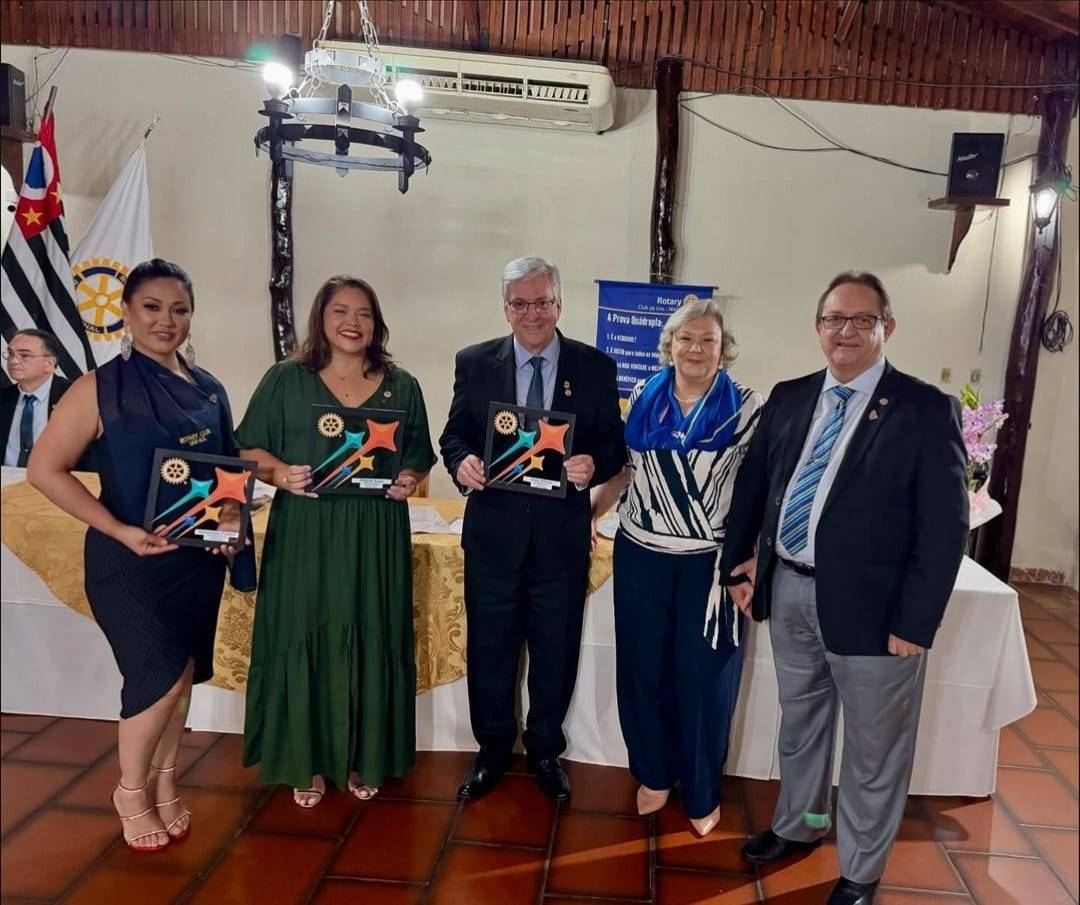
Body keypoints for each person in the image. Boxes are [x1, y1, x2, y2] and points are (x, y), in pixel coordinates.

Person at [720, 272, 968, 905]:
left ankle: (860, 870)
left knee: (874, 749)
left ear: (888, 327)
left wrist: (915, 622)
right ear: (818, 327)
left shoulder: (923, 409)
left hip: (877, 613)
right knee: (801, 723)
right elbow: (755, 482)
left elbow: (946, 527)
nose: (847, 331)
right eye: (835, 318)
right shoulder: (791, 396)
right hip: (791, 592)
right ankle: (802, 824)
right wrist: (739, 564)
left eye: (863, 320)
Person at [27, 259, 253, 852]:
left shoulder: (209, 388)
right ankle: (130, 791)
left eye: (179, 309)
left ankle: (166, 781)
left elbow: (228, 472)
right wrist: (119, 529)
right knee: (157, 677)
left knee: (182, 677)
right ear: (125, 312)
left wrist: (232, 522)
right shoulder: (98, 388)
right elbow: (44, 471)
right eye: (151, 307)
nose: (165, 320)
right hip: (127, 560)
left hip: (194, 561)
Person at [237, 275, 436, 808]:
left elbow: (418, 456)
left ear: (377, 323)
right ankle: (304, 761)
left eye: (364, 313)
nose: (352, 322)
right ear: (320, 318)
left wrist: (408, 478)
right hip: (306, 529)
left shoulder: (403, 385)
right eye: (340, 311)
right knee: (305, 632)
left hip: (375, 532)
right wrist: (279, 473)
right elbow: (248, 448)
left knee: (371, 632)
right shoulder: (285, 379)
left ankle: (364, 755)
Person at [439, 256, 625, 802]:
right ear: (506, 309)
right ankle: (493, 749)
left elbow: (614, 444)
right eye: (520, 303)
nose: (532, 313)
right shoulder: (474, 362)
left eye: (542, 302)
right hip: (494, 539)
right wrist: (462, 463)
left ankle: (545, 750)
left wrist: (593, 463)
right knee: (490, 650)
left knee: (555, 652)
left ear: (559, 305)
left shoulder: (595, 367)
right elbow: (454, 435)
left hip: (560, 541)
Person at [590, 296, 764, 836]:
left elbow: (758, 490)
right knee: (643, 669)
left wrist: (750, 557)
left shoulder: (748, 407)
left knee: (705, 680)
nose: (696, 348)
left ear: (723, 349)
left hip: (708, 565)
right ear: (669, 346)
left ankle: (702, 789)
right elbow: (626, 471)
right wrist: (591, 512)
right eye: (686, 338)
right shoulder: (642, 396)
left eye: (708, 339)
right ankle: (654, 773)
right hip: (641, 554)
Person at [2, 328, 71, 466]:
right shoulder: (3, 398)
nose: (13, 361)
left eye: (24, 355)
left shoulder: (74, 396)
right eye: (10, 354)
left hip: (58, 478)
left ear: (49, 364)